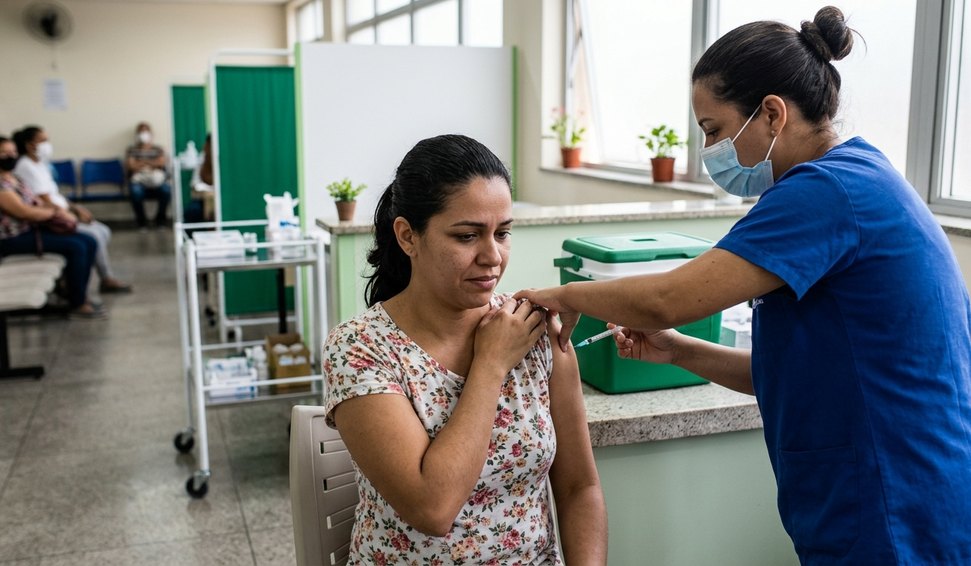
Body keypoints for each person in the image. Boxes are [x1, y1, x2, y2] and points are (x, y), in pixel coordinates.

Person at [516, 7, 971, 565]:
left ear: (772, 114)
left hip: (892, 501)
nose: (710, 150)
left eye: (714, 130)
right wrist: (679, 351)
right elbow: (794, 373)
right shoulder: (859, 175)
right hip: (901, 487)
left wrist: (561, 295)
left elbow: (667, 299)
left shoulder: (824, 193)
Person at [322, 134, 607, 564]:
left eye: (503, 233)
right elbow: (432, 508)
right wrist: (490, 364)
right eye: (467, 236)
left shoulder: (536, 331)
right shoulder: (359, 348)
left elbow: (579, 488)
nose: (493, 256)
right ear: (408, 236)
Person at [12, 125, 131, 294]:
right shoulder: (25, 167)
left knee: (103, 231)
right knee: (94, 236)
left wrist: (76, 208)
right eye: (43, 140)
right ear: (29, 145)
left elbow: (55, 195)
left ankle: (86, 278)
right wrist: (70, 215)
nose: (47, 144)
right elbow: (44, 201)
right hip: (52, 218)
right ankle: (100, 280)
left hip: (62, 211)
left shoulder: (40, 165)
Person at [0, 136, 104, 319]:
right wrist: (54, 213)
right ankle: (77, 303)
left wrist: (59, 210)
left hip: (30, 231)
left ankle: (75, 293)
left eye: (13, 152)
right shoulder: (2, 186)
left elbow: (37, 202)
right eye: (4, 153)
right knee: (76, 247)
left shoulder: (15, 178)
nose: (11, 156)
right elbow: (24, 212)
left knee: (88, 241)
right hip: (11, 240)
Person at [125, 121, 172, 230]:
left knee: (166, 190)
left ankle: (160, 221)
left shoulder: (158, 149)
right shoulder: (132, 150)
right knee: (135, 192)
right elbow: (131, 166)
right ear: (137, 134)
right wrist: (152, 163)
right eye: (141, 132)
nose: (144, 134)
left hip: (157, 181)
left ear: (151, 134)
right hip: (139, 181)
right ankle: (142, 222)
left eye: (146, 131)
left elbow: (161, 163)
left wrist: (141, 162)